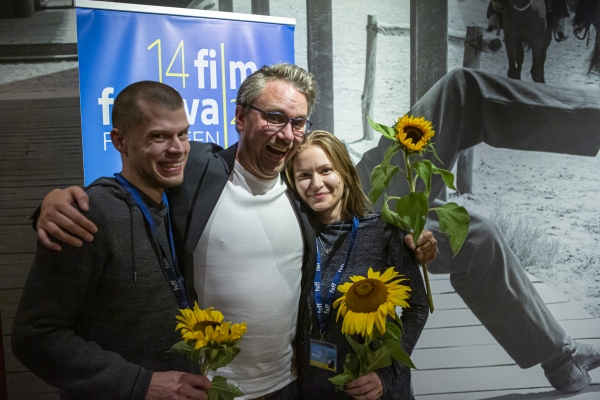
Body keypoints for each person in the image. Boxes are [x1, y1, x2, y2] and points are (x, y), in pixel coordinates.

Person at [31, 63, 438, 399]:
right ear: (240, 117)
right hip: (211, 389)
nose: (286, 133)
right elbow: (132, 184)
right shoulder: (195, 172)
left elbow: (349, 226)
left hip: (291, 387)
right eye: (274, 117)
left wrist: (410, 240)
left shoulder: (300, 195)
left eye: (297, 122)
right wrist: (54, 204)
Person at [356, 67, 600, 393]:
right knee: (473, 234)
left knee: (461, 90)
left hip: (351, 183)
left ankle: (561, 360)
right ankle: (563, 358)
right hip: (349, 219)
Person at [11, 81, 212, 399]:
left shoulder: (181, 197)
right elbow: (35, 337)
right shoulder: (89, 215)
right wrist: (140, 384)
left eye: (182, 133)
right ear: (120, 141)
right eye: (159, 136)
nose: (177, 148)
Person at [286, 130, 429, 399]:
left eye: (326, 170)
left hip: (376, 389)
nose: (316, 183)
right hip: (315, 389)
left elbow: (418, 308)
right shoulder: (296, 236)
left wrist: (387, 372)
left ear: (345, 172)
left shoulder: (384, 232)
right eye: (304, 175)